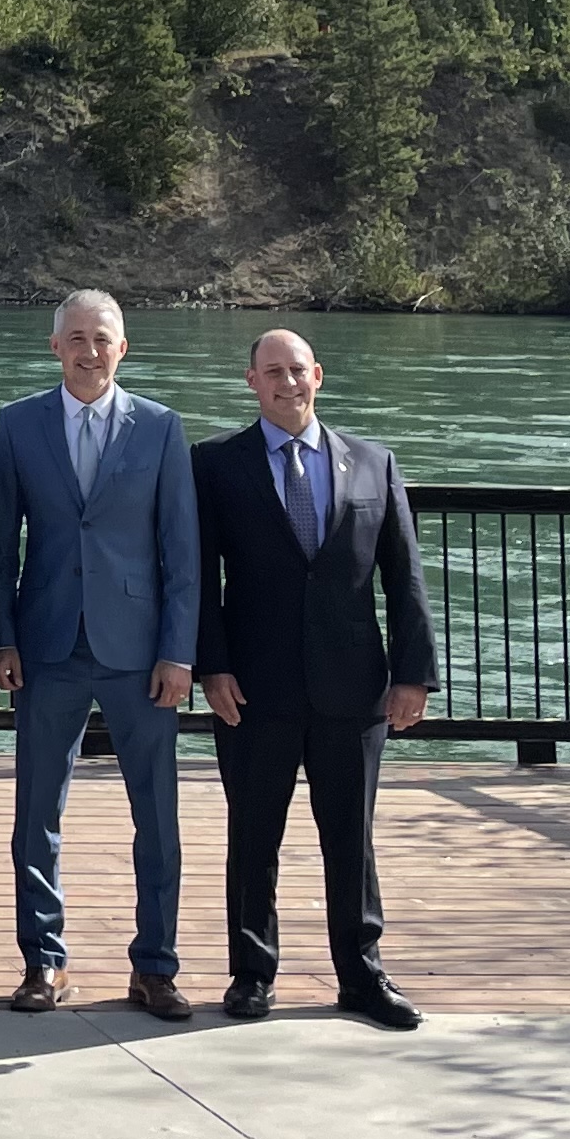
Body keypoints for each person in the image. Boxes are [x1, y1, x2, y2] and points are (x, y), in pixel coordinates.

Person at [193, 327, 438, 1029]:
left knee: (350, 839)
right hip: (253, 688)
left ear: (318, 375)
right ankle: (251, 973)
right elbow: (198, 576)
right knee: (253, 835)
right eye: (272, 371)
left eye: (297, 369)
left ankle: (362, 976)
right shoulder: (214, 464)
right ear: (251, 382)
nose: (287, 382)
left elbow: (405, 575)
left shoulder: (372, 462)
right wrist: (212, 664)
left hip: (353, 686)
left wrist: (413, 673)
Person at [0, 287, 200, 1019]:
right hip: (47, 647)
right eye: (75, 337)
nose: (89, 350)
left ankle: (156, 966)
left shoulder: (162, 429)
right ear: (55, 348)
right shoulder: (18, 425)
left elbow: (182, 553)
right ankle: (44, 962)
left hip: (140, 653)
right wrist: (3, 637)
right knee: (35, 814)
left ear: (122, 347)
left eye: (101, 337)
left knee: (158, 816)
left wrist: (179, 651)